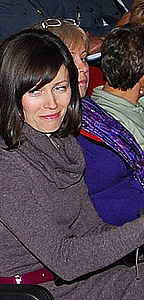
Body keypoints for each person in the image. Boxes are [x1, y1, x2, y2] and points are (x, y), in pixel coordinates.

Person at [0, 29, 144, 299]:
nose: (52, 104)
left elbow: (91, 230)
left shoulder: (63, 143)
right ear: (11, 94)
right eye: (36, 91)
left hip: (86, 278)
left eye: (60, 88)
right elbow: (65, 259)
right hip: (38, 292)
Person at [37, 19, 144, 226]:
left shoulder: (92, 113)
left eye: (84, 58)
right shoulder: (50, 132)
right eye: (71, 59)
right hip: (114, 232)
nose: (83, 68)